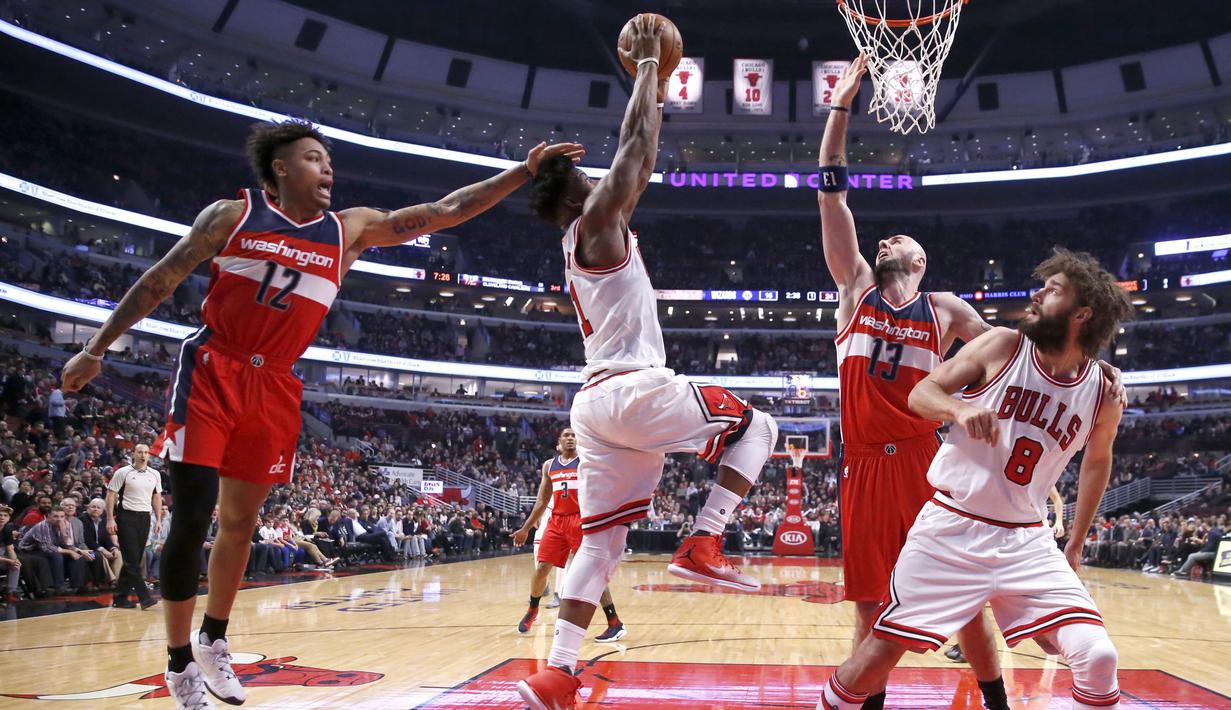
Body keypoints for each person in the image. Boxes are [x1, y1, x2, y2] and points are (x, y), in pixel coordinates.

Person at [60, 115, 582, 708]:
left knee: (239, 524)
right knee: (193, 516)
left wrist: (522, 171)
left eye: (329, 159)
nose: (327, 167)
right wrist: (95, 347)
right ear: (280, 168)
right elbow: (159, 280)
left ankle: (214, 640)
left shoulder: (349, 229)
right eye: (313, 158)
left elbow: (445, 209)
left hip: (277, 383)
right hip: (214, 366)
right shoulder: (231, 216)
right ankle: (179, 662)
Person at [815, 56, 1121, 710]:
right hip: (867, 462)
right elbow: (831, 195)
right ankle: (864, 703)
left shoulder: (948, 310)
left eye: (898, 237)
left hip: (928, 456)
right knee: (872, 605)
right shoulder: (855, 291)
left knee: (967, 604)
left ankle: (995, 701)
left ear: (919, 261)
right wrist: (840, 110)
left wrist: (1076, 375)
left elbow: (1011, 364)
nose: (885, 239)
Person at [517, 16, 779, 707]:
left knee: (600, 548)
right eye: (586, 177)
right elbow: (636, 148)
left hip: (595, 406)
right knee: (760, 427)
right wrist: (645, 71)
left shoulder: (578, 238)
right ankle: (703, 541)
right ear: (577, 194)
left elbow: (632, 158)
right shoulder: (597, 220)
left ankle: (557, 673)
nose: (601, 178)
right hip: (632, 390)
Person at [818, 249, 1133, 710]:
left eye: (1053, 290)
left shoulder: (1104, 391)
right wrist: (959, 408)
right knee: (876, 658)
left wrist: (1077, 542)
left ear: (1082, 313)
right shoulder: (1004, 345)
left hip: (1027, 539)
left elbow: (1097, 462)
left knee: (1099, 655)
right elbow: (921, 392)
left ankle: (996, 700)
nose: (1037, 293)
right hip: (952, 526)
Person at [512, 429, 624, 642]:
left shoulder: (586, 463)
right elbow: (541, 501)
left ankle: (614, 622)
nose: (571, 438)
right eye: (566, 435)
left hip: (581, 521)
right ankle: (532, 609)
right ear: (558, 443)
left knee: (593, 573)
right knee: (542, 568)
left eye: (574, 435)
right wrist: (525, 528)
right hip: (556, 521)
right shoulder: (549, 466)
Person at [105, 444, 163, 610]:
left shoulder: (155, 474)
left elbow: (157, 497)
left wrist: (158, 519)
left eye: (146, 452)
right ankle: (144, 597)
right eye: (140, 452)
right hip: (126, 518)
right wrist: (110, 519)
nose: (143, 455)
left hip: (145, 518)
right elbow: (111, 495)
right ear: (134, 454)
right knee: (132, 560)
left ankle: (120, 598)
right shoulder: (123, 472)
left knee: (134, 560)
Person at [0, 505, 21, 604]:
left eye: (5, 515)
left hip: (2, 555)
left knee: (16, 564)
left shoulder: (8, 528)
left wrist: (14, 561)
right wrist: (9, 561)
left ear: (9, 518)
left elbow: (10, 548)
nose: (2, 517)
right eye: (0, 515)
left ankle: (10, 593)